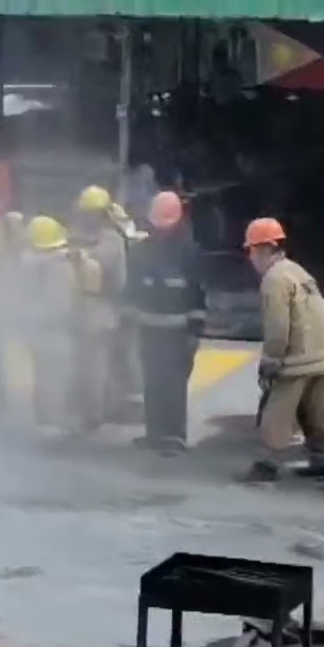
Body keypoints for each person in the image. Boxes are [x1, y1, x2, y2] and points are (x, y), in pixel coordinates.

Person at [243, 217, 324, 481]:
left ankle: (266, 465)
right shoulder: (297, 271)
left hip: (297, 358)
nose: (250, 257)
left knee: (277, 411)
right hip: (322, 354)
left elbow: (278, 325)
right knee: (318, 412)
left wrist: (272, 361)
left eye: (250, 250)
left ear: (263, 249)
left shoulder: (274, 279)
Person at [124, 191, 206, 455]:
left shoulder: (190, 253)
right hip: (149, 330)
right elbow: (132, 290)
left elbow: (197, 295)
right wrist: (128, 319)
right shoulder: (140, 252)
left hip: (178, 333)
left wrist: (194, 332)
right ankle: (154, 434)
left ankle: (173, 437)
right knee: (152, 382)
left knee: (173, 384)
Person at [21, 215, 105, 436]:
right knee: (63, 374)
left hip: (44, 330)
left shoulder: (32, 263)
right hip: (62, 329)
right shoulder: (67, 264)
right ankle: (67, 419)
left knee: (47, 376)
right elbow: (68, 303)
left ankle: (49, 419)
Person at [70, 185, 127, 420]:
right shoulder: (79, 234)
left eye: (90, 212)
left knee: (96, 364)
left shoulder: (111, 239)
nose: (86, 217)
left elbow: (104, 267)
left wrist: (78, 255)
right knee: (87, 361)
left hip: (103, 307)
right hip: (82, 308)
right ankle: (96, 405)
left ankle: (95, 412)